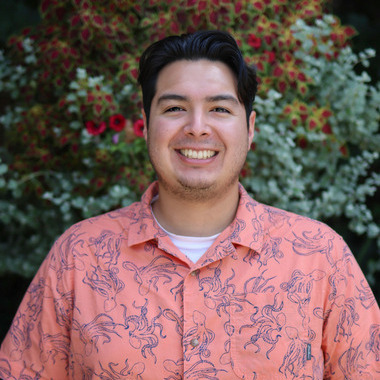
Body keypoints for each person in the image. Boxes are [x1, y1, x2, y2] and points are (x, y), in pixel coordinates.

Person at [0, 30, 379, 379]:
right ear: (146, 126)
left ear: (250, 128)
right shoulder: (79, 256)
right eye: (175, 108)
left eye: (219, 109)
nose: (197, 127)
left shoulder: (320, 256)